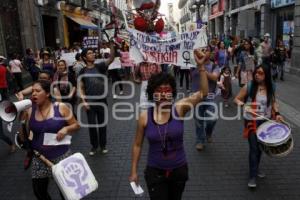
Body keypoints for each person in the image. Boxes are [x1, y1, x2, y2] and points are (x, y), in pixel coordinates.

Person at [129, 49, 208, 200]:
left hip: (179, 171)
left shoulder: (180, 108)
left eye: (167, 91)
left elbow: (203, 93)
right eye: (159, 91)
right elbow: (137, 145)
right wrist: (133, 171)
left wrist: (201, 66)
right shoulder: (145, 117)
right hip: (155, 172)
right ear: (153, 94)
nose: (164, 94)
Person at [20, 80, 80, 200]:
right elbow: (23, 137)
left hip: (62, 157)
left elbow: (76, 125)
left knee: (67, 192)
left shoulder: (61, 107)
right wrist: (22, 120)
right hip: (39, 158)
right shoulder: (30, 110)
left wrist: (66, 128)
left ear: (47, 93)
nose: (33, 94)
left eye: (38, 91)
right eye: (32, 91)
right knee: (39, 192)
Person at [234, 64, 284, 188]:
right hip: (252, 121)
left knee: (260, 147)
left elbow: (273, 102)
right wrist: (244, 105)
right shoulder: (249, 86)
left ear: (266, 75)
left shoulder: (271, 86)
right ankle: (252, 175)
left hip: (266, 121)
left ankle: (256, 168)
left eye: (260, 73)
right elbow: (236, 99)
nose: (257, 74)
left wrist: (277, 114)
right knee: (254, 148)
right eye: (256, 72)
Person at [79, 41, 115, 156]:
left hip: (102, 101)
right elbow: (81, 88)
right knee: (92, 125)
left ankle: (103, 145)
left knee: (102, 124)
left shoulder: (100, 66)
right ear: (84, 57)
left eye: (93, 53)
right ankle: (94, 146)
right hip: (90, 102)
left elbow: (111, 59)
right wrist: (84, 102)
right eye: (89, 53)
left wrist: (112, 46)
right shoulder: (82, 71)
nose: (93, 54)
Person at [191, 46, 220, 151]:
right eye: (201, 50)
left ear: (210, 53)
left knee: (212, 119)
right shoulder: (191, 65)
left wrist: (201, 67)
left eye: (206, 50)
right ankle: (200, 141)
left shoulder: (214, 66)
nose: (203, 52)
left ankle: (208, 132)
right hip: (196, 97)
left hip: (210, 97)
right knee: (198, 121)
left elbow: (215, 77)